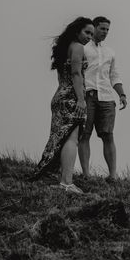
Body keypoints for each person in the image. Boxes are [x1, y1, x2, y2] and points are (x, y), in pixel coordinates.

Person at [30, 17, 94, 193]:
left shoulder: (64, 48)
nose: (89, 37)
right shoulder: (78, 47)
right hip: (71, 98)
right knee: (72, 139)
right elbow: (75, 74)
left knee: (63, 138)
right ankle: (66, 183)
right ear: (77, 31)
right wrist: (81, 100)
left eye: (91, 34)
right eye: (87, 32)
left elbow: (65, 75)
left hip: (60, 96)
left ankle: (63, 181)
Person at [78, 16, 127, 181]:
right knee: (84, 134)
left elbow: (114, 75)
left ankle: (112, 175)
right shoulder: (83, 49)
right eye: (102, 28)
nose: (105, 32)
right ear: (95, 28)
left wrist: (122, 94)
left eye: (107, 30)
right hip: (88, 95)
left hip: (106, 97)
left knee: (108, 135)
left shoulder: (110, 52)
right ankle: (86, 174)